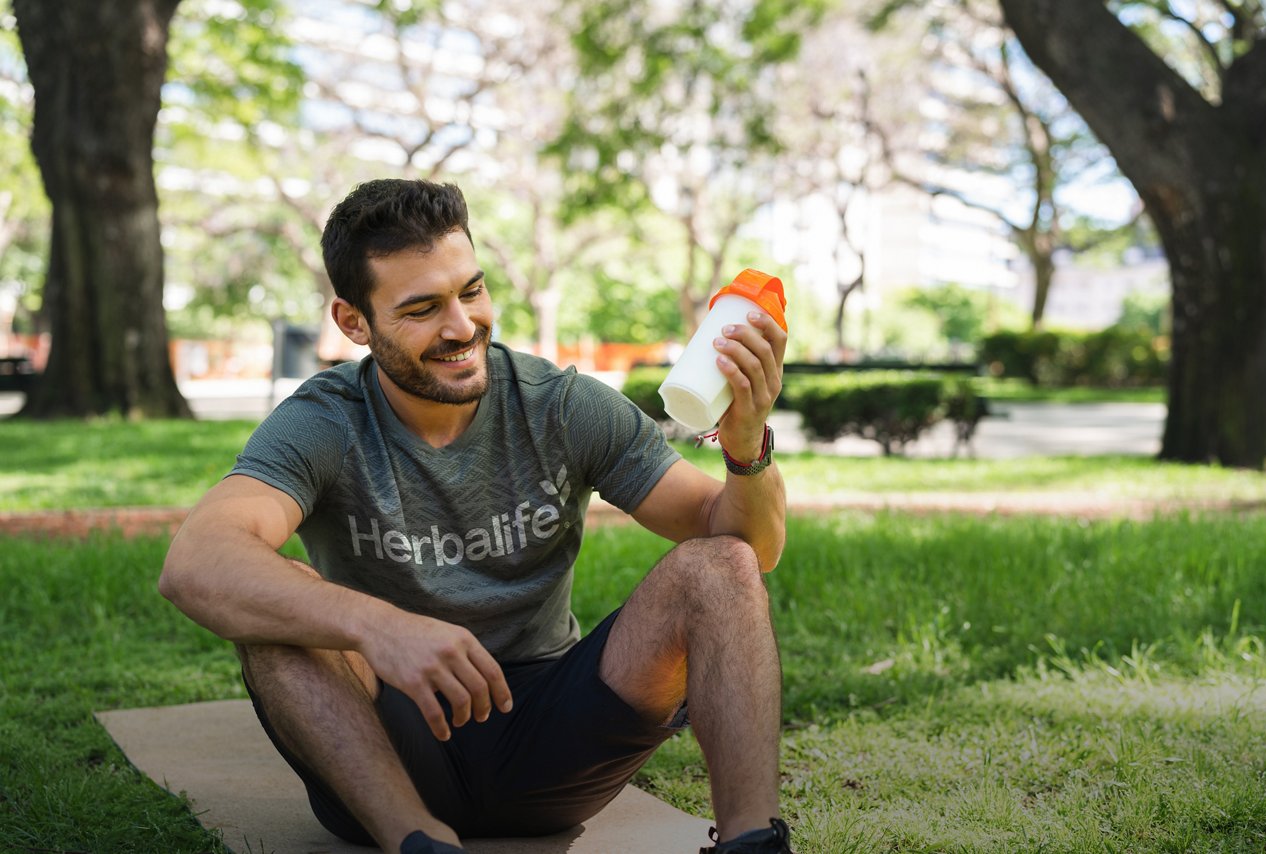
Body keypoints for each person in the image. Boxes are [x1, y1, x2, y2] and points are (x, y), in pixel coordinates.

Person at [159, 179, 793, 854]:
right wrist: (379, 627)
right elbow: (196, 564)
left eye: (471, 291)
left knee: (719, 565)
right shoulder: (325, 422)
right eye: (422, 308)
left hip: (553, 739)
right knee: (276, 615)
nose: (462, 327)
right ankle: (419, 842)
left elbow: (749, 548)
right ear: (353, 323)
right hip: (389, 749)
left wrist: (746, 445)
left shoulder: (561, 406)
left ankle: (753, 843)